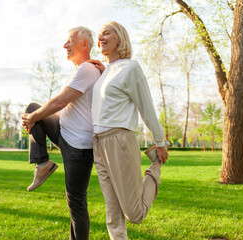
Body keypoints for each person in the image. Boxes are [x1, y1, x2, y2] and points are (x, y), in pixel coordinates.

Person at [88, 21, 169, 240]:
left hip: (119, 140)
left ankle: (154, 168)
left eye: (106, 33)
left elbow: (147, 107)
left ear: (120, 39)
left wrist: (160, 142)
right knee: (113, 213)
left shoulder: (131, 68)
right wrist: (105, 71)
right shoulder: (105, 73)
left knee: (134, 214)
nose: (101, 37)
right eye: (99, 34)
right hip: (98, 143)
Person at [21, 26, 101, 240]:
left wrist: (33, 119)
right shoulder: (83, 70)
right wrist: (34, 117)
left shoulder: (87, 70)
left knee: (76, 203)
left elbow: (59, 102)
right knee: (32, 109)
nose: (64, 45)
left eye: (69, 41)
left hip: (79, 147)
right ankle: (42, 163)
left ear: (84, 44)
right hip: (65, 133)